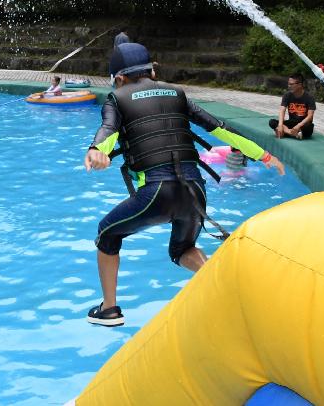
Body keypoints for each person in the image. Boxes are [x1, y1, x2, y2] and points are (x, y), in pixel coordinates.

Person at [83, 43, 285, 326]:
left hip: (158, 191)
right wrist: (263, 154)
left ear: (118, 79)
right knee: (182, 249)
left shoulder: (117, 98)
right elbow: (219, 128)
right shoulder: (177, 93)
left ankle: (109, 309)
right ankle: (217, 281)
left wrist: (96, 149)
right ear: (153, 71)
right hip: (195, 190)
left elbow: (108, 130)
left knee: (107, 233)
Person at [269, 73, 316, 140]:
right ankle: (292, 133)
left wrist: (298, 126)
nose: (289, 86)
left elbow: (310, 116)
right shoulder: (287, 95)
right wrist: (280, 125)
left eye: (291, 84)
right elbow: (282, 110)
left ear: (299, 85)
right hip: (291, 123)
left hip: (303, 124)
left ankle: (285, 132)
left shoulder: (309, 97)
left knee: (309, 128)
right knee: (272, 122)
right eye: (288, 84)